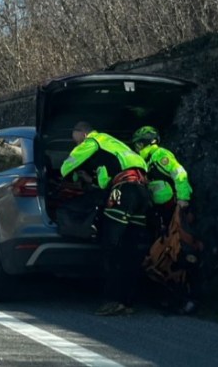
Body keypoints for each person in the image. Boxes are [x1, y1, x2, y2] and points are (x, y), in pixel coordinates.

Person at [60, 121, 151, 316]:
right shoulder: (113, 143)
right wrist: (89, 179)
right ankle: (127, 301)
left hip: (123, 191)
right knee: (131, 249)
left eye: (76, 140)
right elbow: (104, 181)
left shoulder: (92, 141)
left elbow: (66, 167)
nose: (76, 144)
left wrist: (69, 174)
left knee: (111, 245)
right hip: (142, 191)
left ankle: (112, 300)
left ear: (83, 134)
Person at [131, 125, 199, 315]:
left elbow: (179, 174)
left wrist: (183, 199)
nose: (137, 148)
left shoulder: (160, 155)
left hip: (174, 211)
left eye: (139, 144)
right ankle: (166, 295)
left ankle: (186, 296)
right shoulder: (144, 162)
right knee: (160, 253)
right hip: (159, 213)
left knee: (178, 251)